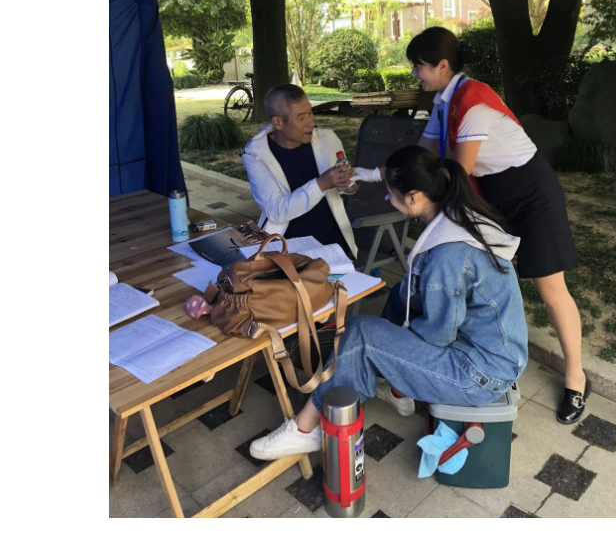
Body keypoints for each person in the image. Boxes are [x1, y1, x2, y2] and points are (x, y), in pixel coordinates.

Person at [249, 145, 528, 461]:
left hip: (481, 375)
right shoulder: (459, 216)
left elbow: (438, 334)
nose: (387, 198)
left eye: (391, 194)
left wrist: (388, 348)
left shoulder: (448, 256)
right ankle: (396, 390)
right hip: (493, 351)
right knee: (401, 295)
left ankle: (305, 429)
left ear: (413, 197)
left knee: (362, 333)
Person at [402, 27, 588, 424]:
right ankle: (486, 346)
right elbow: (423, 153)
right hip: (492, 193)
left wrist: (416, 192)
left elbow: (456, 171)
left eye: (418, 66)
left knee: (550, 287)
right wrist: (385, 175)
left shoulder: (472, 102)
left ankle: (576, 378)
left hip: (531, 193)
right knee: (487, 271)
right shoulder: (443, 102)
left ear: (442, 65)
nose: (415, 73)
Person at [242, 84, 358, 258]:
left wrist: (349, 184)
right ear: (278, 122)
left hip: (333, 241)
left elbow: (344, 187)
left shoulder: (327, 139)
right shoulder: (256, 155)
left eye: (310, 113)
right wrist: (320, 184)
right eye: (301, 117)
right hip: (286, 244)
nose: (311, 122)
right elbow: (276, 211)